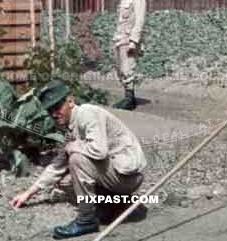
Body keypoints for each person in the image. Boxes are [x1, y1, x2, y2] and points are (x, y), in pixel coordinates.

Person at [10, 80, 147, 239]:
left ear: (70, 101)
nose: (54, 114)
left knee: (76, 160)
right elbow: (57, 166)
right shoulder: (70, 127)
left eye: (57, 107)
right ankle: (118, 203)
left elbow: (99, 151)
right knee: (64, 181)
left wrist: (72, 147)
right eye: (50, 110)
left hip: (128, 176)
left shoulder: (87, 114)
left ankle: (86, 220)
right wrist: (28, 193)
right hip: (115, 173)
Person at [112, 0, 147, 110]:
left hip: (129, 40)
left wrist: (134, 41)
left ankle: (130, 99)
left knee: (127, 69)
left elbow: (140, 21)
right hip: (119, 38)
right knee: (119, 69)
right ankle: (128, 96)